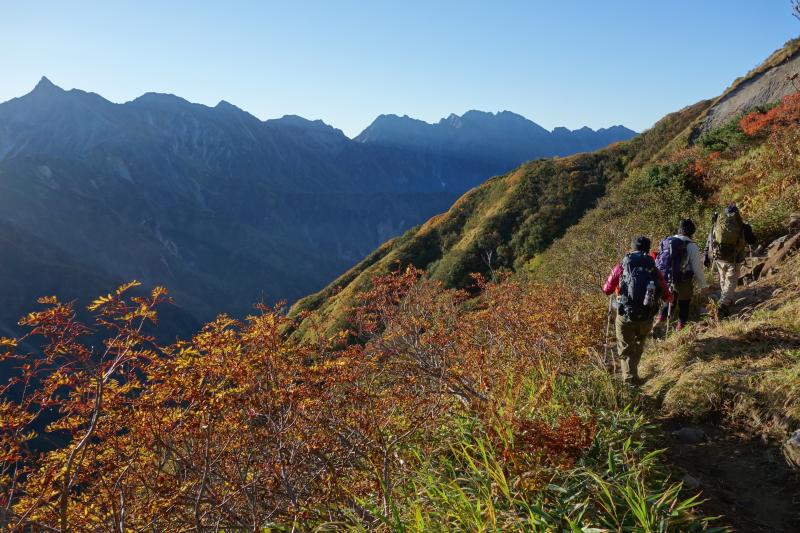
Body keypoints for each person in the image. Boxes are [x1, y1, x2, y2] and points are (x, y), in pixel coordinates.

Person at [603, 236, 672, 385]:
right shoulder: (652, 266)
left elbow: (607, 289)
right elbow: (666, 292)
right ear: (648, 249)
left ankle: (630, 381)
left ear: (632, 248)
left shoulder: (622, 265)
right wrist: (668, 299)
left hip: (625, 315)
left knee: (625, 348)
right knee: (639, 345)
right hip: (647, 315)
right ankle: (633, 373)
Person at [655, 219, 709, 331]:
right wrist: (703, 285)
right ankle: (680, 327)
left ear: (679, 229)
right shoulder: (691, 245)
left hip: (667, 278)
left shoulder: (668, 242)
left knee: (670, 300)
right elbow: (697, 268)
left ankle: (659, 320)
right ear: (691, 232)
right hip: (683, 279)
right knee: (684, 302)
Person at [711, 204, 755, 316]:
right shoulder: (742, 226)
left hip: (719, 258)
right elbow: (752, 240)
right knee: (731, 281)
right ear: (737, 214)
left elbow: (711, 239)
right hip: (734, 258)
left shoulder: (718, 225)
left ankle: (726, 300)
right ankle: (723, 304)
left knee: (723, 279)